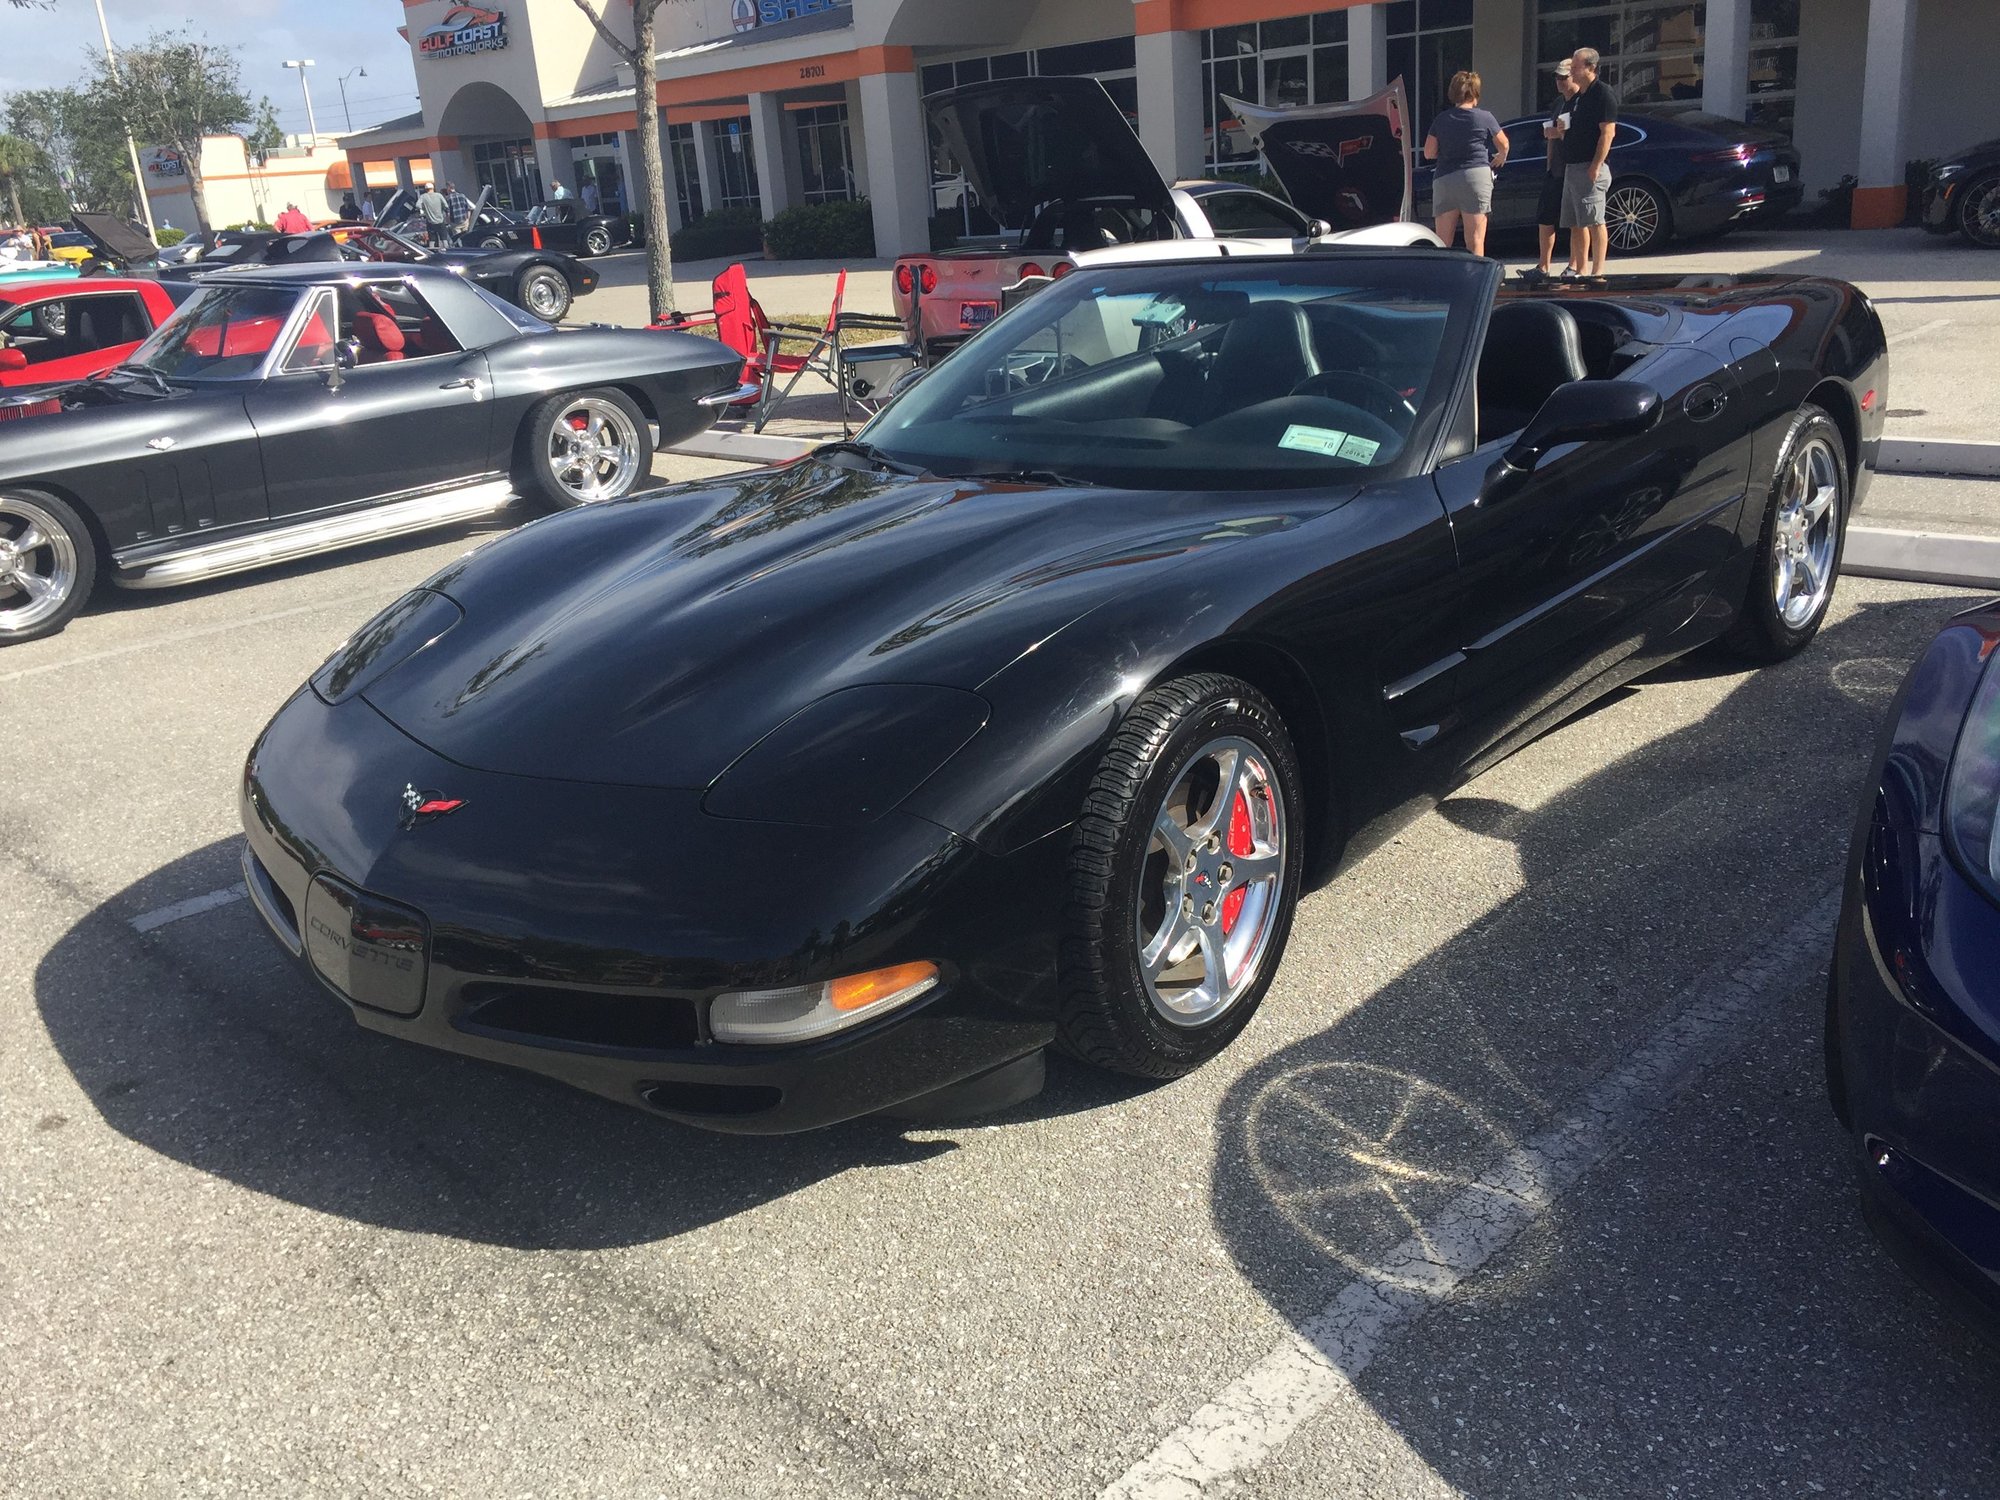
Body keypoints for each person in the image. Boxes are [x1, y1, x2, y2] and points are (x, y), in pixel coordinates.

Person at [1423, 71, 1507, 257]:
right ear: (1475, 93)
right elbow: (1504, 143)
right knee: (1475, 240)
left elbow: (1428, 152)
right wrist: (1501, 156)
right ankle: (1475, 281)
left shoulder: (1441, 119)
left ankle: (1444, 280)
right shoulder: (1485, 117)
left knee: (1443, 242)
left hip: (1445, 178)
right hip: (1475, 177)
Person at [1561, 47, 1619, 278]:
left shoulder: (1603, 94)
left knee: (1595, 219)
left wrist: (1595, 165)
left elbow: (1607, 133)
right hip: (1572, 167)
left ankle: (1598, 271)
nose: (1571, 71)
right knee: (1576, 222)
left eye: (1575, 67)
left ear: (1591, 68)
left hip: (1589, 167)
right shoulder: (1578, 97)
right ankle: (1581, 268)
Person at [1534, 59, 1581, 278]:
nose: (1559, 82)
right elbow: (1553, 133)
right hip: (1555, 169)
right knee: (1545, 216)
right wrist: (1548, 162)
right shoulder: (1558, 103)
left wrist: (1560, 134)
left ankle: (1574, 265)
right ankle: (1543, 266)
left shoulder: (1582, 102)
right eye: (1557, 77)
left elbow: (1584, 134)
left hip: (1575, 167)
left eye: (1564, 77)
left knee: (1575, 220)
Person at [416, 182, 450, 248]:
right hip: (440, 221)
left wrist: (424, 209)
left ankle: (431, 253)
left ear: (426, 189)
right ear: (433, 188)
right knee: (444, 239)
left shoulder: (423, 197)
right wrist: (442, 209)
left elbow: (417, 205)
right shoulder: (439, 195)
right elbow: (446, 206)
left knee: (432, 240)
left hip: (430, 222)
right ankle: (447, 252)